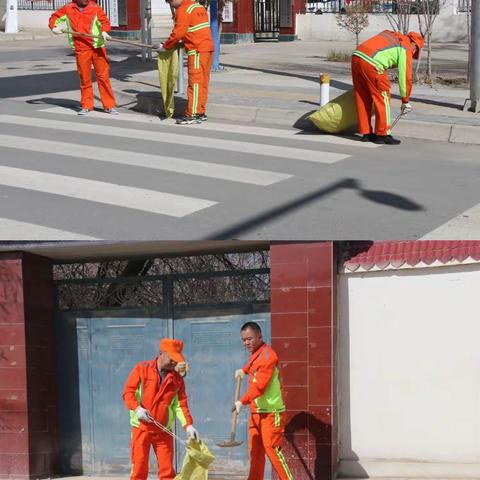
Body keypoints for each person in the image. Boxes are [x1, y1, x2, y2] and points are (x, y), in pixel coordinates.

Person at [122, 338, 199, 480]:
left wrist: (188, 425)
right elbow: (128, 393)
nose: (174, 362)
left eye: (177, 359)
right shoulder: (142, 369)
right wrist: (137, 409)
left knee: (167, 470)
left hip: (164, 430)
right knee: (139, 469)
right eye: (171, 358)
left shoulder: (177, 379)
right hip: (141, 429)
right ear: (160, 353)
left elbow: (180, 404)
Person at [233, 322, 293, 480]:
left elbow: (259, 386)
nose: (246, 342)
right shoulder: (257, 353)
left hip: (272, 413)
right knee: (256, 453)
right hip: (256, 413)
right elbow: (253, 364)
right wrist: (244, 370)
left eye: (249, 339)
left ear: (259, 336)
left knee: (272, 451)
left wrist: (242, 401)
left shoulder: (268, 356)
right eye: (243, 340)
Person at [351, 30, 425, 145]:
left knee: (362, 97)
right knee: (383, 97)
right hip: (372, 63)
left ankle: (366, 133)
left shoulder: (392, 35)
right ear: (414, 44)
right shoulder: (406, 48)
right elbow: (405, 77)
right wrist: (405, 100)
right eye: (415, 50)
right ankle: (383, 134)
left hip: (357, 56)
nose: (413, 52)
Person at [48, 0, 118, 116]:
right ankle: (87, 106)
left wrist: (105, 31)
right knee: (85, 78)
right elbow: (54, 17)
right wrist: (53, 27)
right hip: (81, 48)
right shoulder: (68, 8)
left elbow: (104, 21)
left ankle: (109, 106)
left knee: (103, 77)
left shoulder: (95, 8)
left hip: (97, 47)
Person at [158, 0, 214, 124]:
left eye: (170, 2)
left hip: (197, 50)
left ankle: (192, 114)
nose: (171, 5)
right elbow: (193, 30)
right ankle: (200, 112)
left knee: (194, 83)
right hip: (207, 49)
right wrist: (182, 42)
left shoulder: (184, 9)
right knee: (203, 83)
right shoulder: (198, 7)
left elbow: (178, 33)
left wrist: (165, 46)